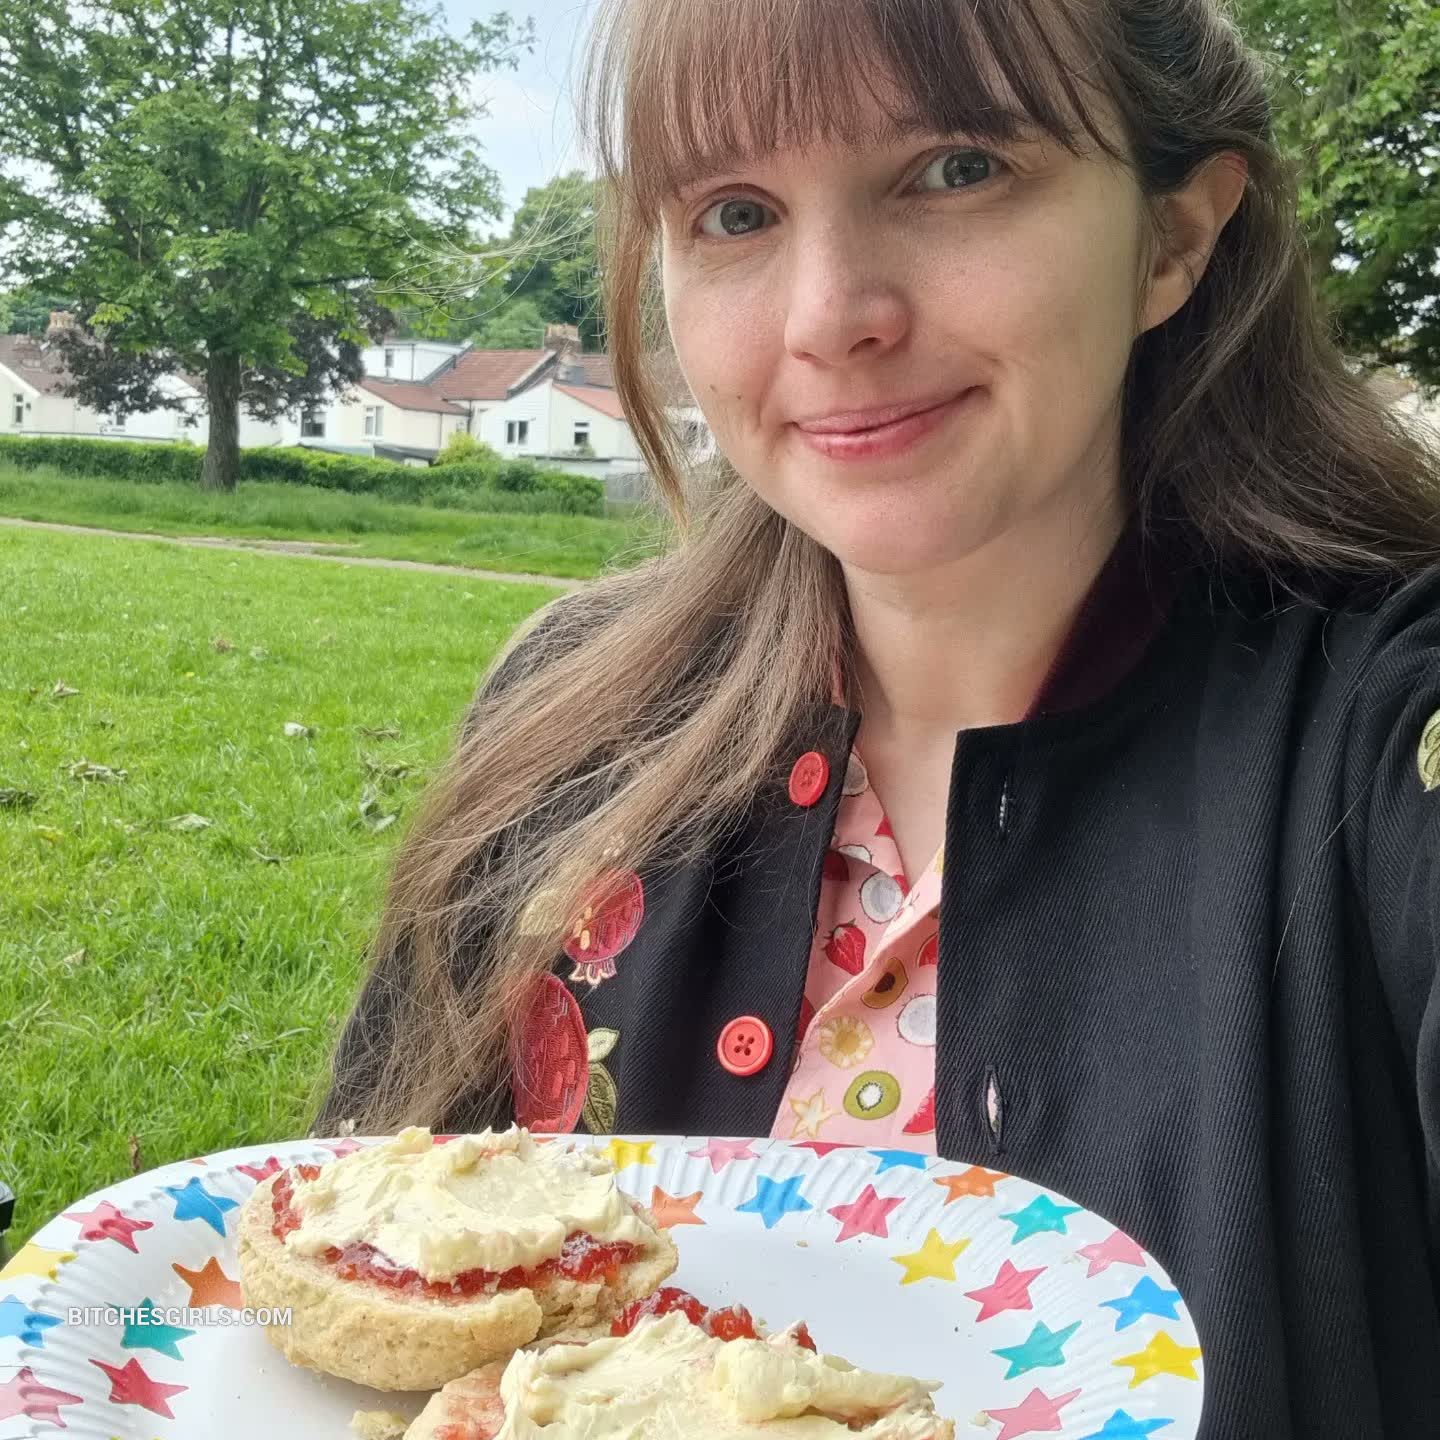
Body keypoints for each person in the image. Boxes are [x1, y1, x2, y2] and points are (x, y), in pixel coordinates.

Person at [312, 0, 1440, 1432]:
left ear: (1171, 238)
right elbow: (335, 1294)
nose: (829, 317)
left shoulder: (1388, 742)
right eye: (734, 213)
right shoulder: (564, 720)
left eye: (958, 169)